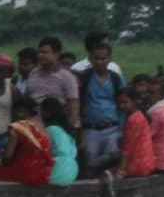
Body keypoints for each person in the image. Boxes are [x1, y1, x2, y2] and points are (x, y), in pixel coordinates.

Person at [75, 35, 127, 173]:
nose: (100, 62)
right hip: (90, 130)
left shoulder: (116, 79)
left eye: (103, 59)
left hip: (112, 129)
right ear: (91, 59)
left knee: (111, 166)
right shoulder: (84, 77)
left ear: (110, 59)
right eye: (96, 59)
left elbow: (123, 105)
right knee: (90, 165)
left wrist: (121, 131)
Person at [0, 95, 55, 185]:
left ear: (22, 112)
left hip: (25, 174)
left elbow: (7, 157)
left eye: (15, 111)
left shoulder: (17, 127)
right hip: (43, 175)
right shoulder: (42, 128)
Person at [23, 37, 82, 110]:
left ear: (57, 54)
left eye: (45, 52)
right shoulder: (33, 73)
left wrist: (73, 121)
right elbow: (27, 96)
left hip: (57, 119)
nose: (41, 55)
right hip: (33, 119)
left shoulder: (67, 77)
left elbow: (73, 104)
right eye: (39, 52)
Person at [138, 76, 164, 172]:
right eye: (147, 92)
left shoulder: (156, 112)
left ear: (161, 95)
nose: (148, 95)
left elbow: (148, 135)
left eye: (152, 93)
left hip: (161, 162)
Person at [38, 96, 80, 187]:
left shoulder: (50, 129)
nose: (40, 114)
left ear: (48, 113)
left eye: (42, 111)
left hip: (59, 168)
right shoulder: (66, 129)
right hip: (72, 169)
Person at [116, 86, 156, 178]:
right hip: (147, 162)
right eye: (119, 103)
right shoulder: (139, 115)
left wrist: (121, 170)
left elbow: (127, 149)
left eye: (125, 103)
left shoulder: (133, 120)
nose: (121, 106)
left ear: (134, 102)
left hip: (139, 165)